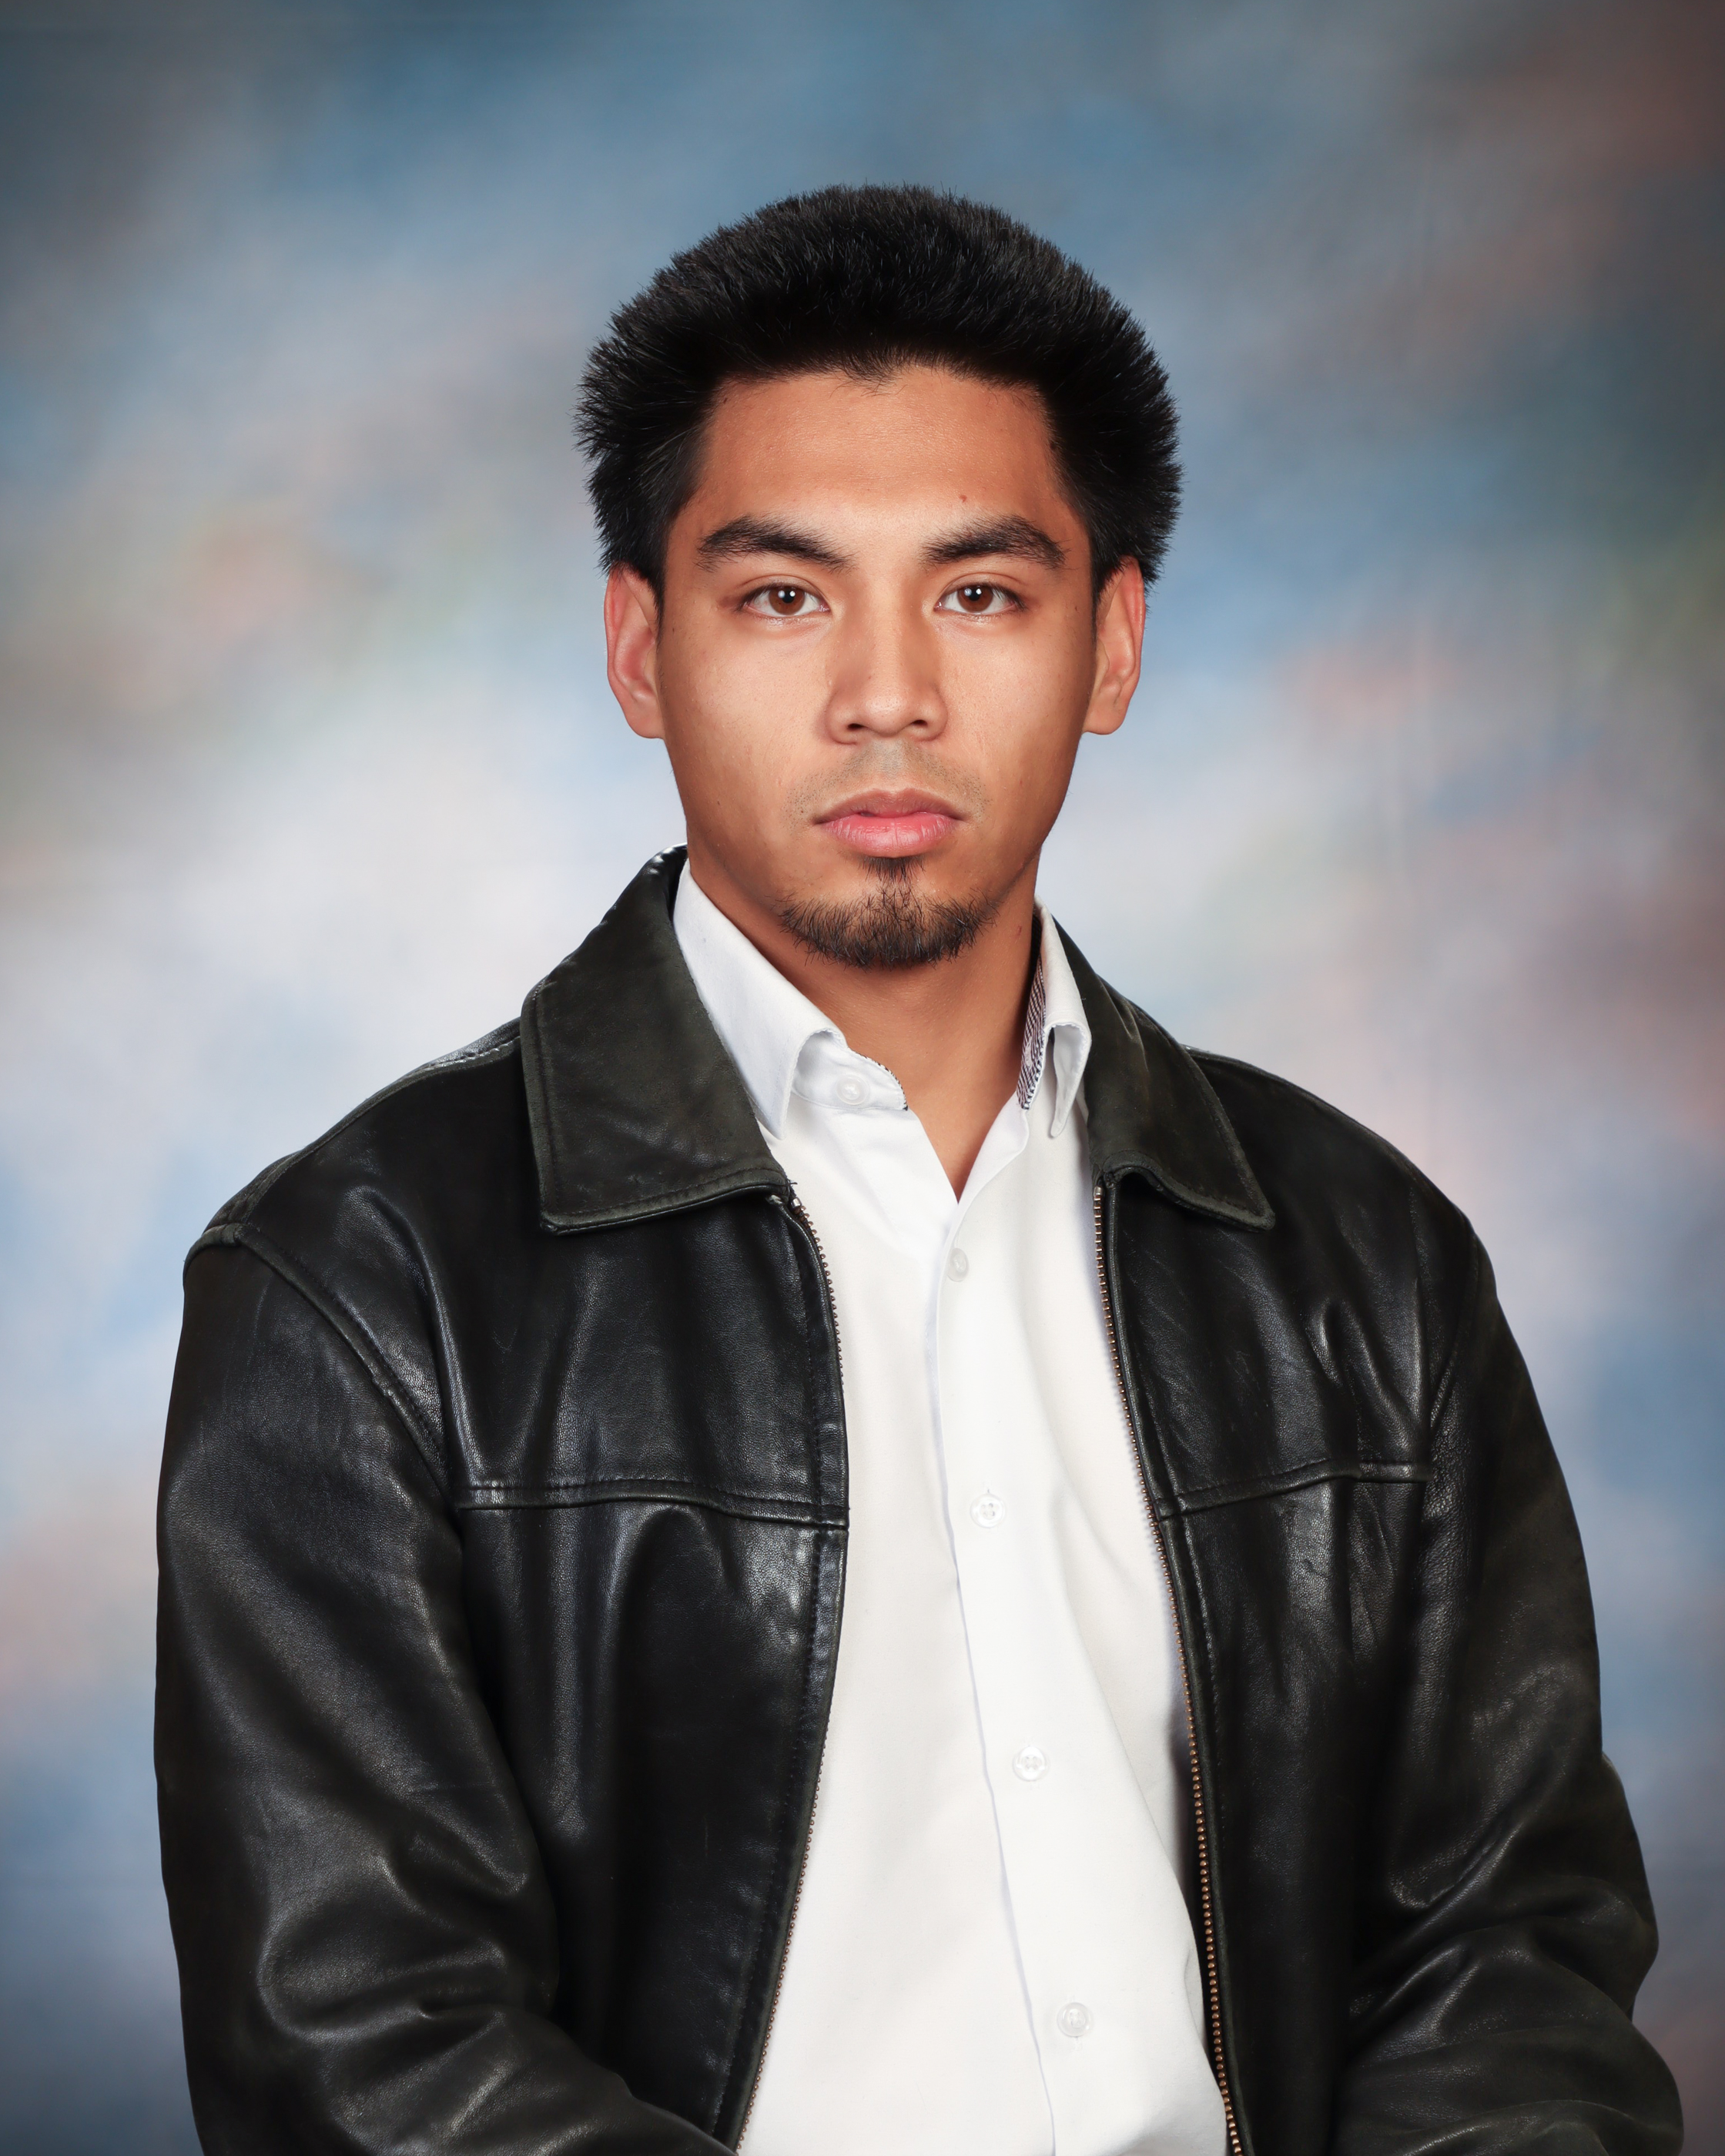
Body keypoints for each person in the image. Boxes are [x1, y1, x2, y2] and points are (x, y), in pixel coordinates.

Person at [155, 186, 1680, 2156]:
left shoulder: (1365, 1262)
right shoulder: (359, 1286)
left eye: (979, 593)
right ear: (641, 646)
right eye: (784, 596)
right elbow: (360, 2050)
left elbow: (1510, 1958)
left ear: (1110, 642)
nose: (888, 693)